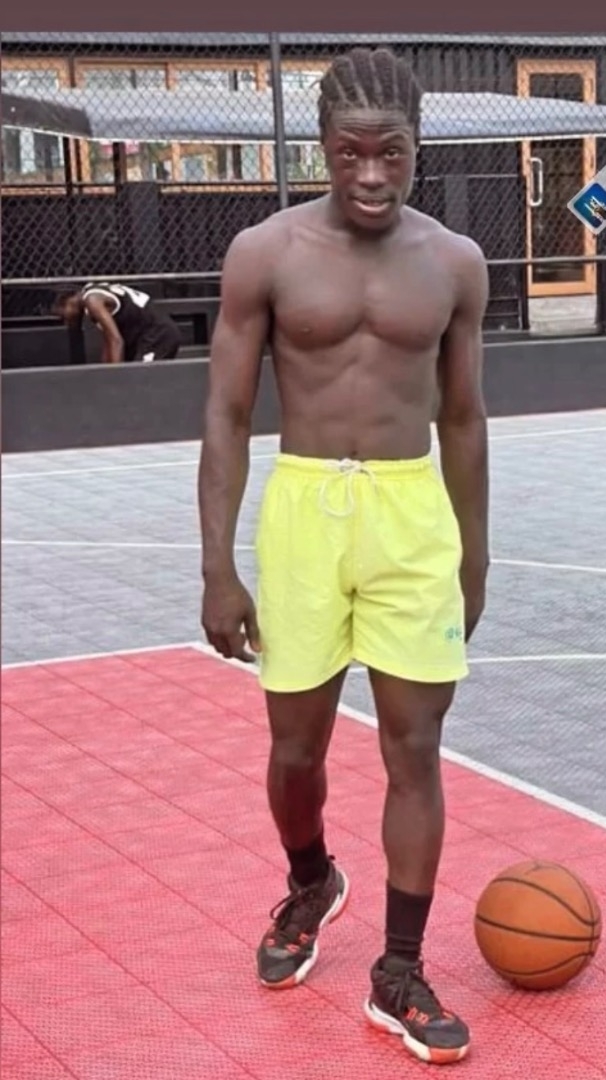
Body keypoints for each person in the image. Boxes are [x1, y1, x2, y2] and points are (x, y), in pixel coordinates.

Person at [197, 47, 490, 1066]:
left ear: (418, 147)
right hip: (305, 512)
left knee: (415, 747)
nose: (371, 174)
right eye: (351, 153)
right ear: (322, 148)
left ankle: (399, 969)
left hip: (410, 513)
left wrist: (475, 555)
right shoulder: (264, 254)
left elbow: (464, 417)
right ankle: (311, 880)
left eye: (391, 154)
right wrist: (218, 565)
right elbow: (228, 415)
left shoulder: (455, 262)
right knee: (296, 752)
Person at [52, 281, 182, 364]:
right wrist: (104, 374)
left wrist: (115, 377)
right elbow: (108, 341)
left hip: (158, 335)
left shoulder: (92, 301)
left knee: (141, 380)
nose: (66, 322)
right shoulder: (93, 294)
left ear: (67, 302)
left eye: (63, 316)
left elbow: (116, 341)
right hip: (146, 337)